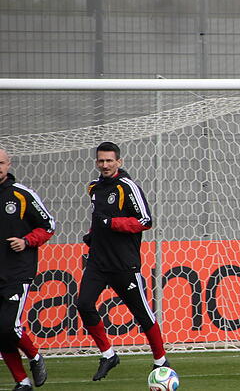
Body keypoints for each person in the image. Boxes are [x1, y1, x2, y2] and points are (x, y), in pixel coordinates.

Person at [76, 142, 168, 381]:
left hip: (124, 264)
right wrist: (93, 235)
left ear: (119, 162)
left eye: (109, 160)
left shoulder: (128, 187)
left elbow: (145, 220)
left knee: (143, 314)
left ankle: (160, 361)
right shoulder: (93, 187)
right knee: (84, 304)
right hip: (97, 262)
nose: (104, 165)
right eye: (101, 161)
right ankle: (108, 354)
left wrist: (112, 224)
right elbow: (99, 218)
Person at [0, 149, 54, 391]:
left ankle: (34, 357)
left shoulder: (21, 195)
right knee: (0, 331)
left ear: (8, 164)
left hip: (17, 272)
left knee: (8, 326)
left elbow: (49, 225)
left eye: (0, 163)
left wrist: (27, 241)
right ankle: (22, 382)